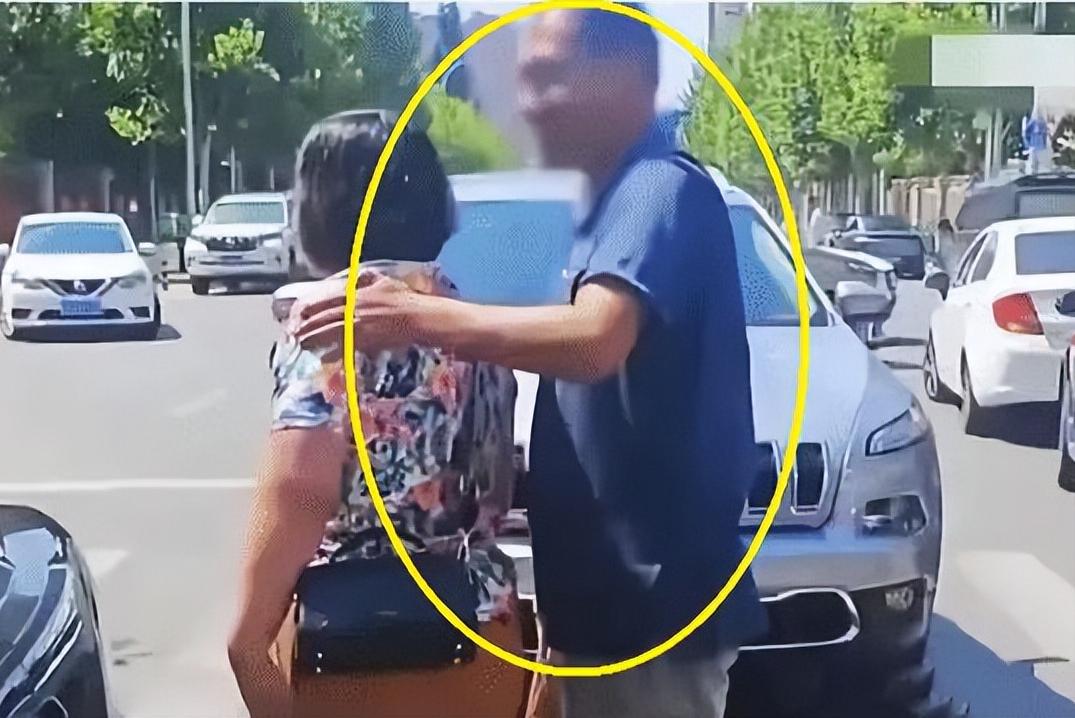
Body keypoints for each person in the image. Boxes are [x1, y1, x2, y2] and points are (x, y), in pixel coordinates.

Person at [298, 8, 767, 718]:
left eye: (550, 78)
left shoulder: (658, 190)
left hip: (651, 614)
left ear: (623, 78)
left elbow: (595, 340)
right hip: (605, 607)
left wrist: (416, 317)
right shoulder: (615, 204)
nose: (530, 103)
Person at [227, 113, 527, 718]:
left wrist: (248, 644)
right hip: (485, 638)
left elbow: (301, 486)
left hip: (362, 651)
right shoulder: (471, 321)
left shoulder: (332, 329)